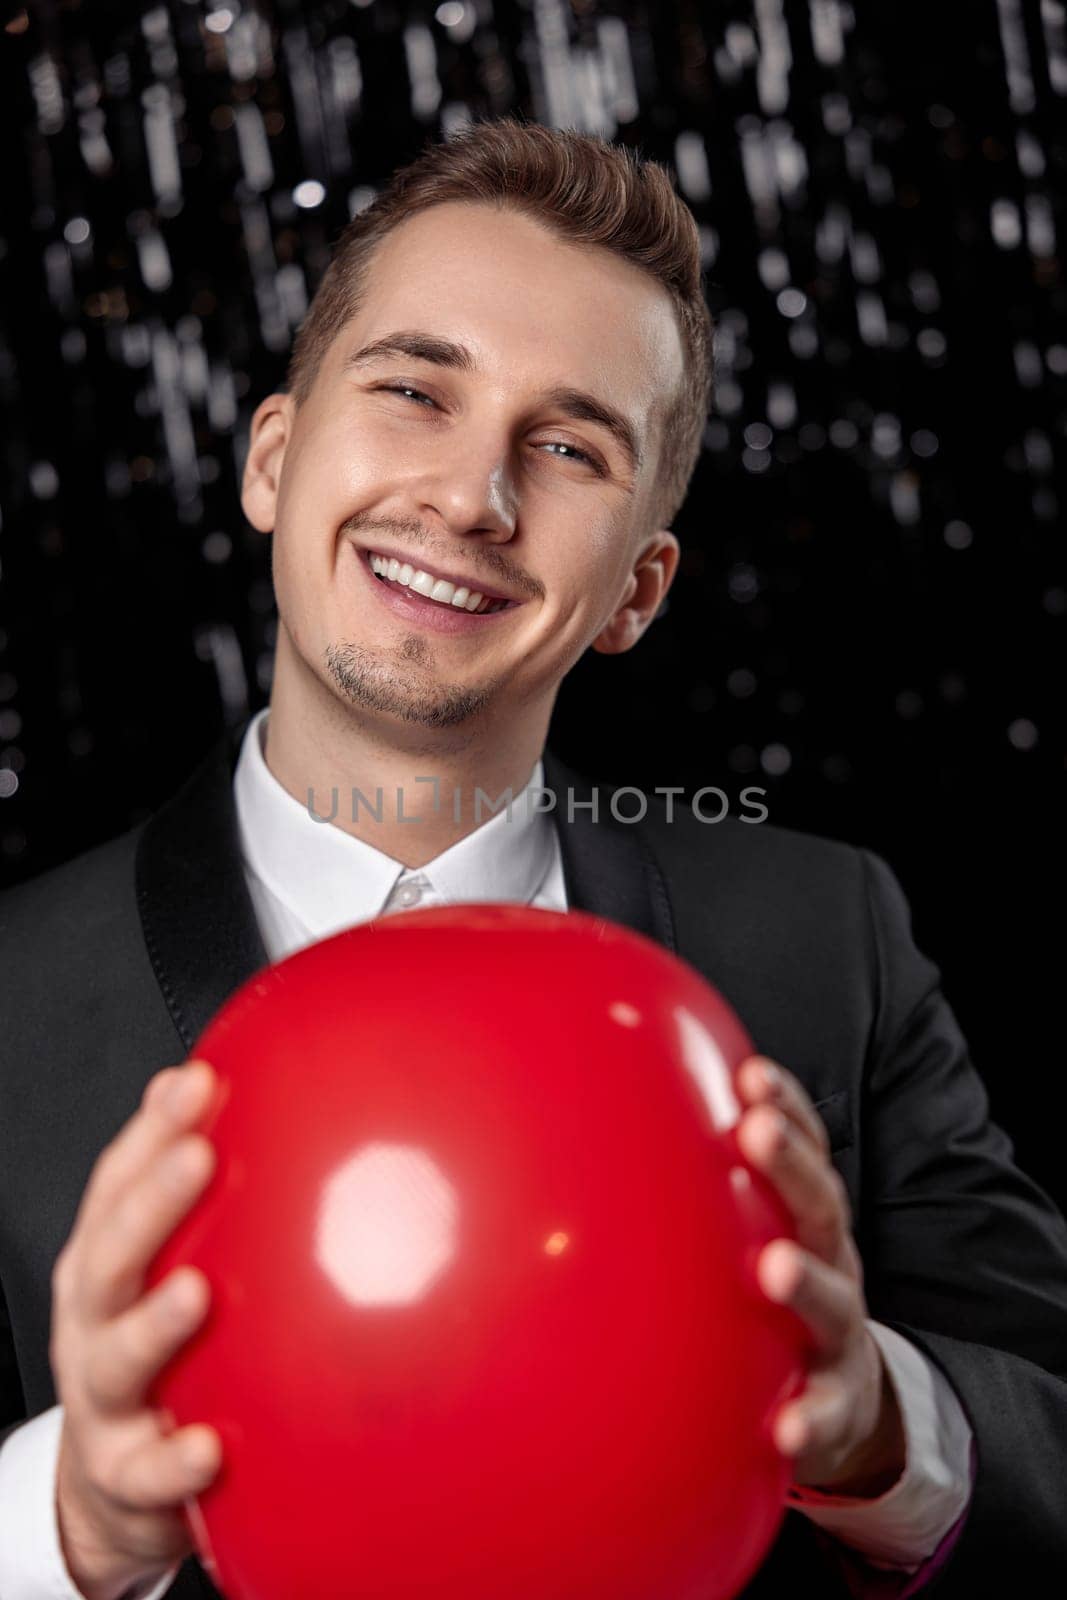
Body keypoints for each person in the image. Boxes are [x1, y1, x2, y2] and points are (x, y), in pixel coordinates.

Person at [0, 117, 1065, 1600]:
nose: (470, 498)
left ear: (638, 590)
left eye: (566, 447)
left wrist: (887, 1427)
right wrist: (69, 1526)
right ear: (272, 456)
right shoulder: (4, 991)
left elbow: (1053, 1449)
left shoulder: (831, 935)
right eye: (414, 391)